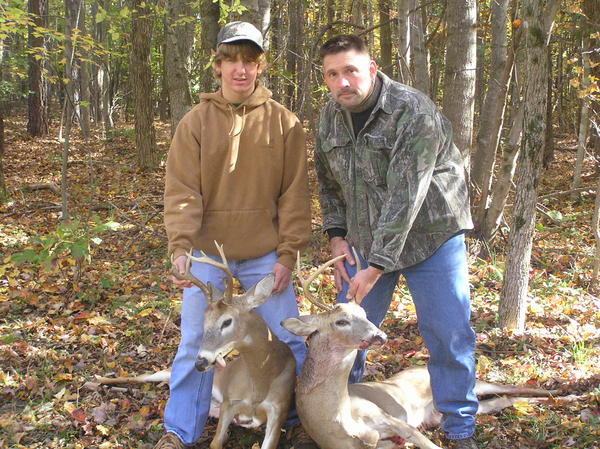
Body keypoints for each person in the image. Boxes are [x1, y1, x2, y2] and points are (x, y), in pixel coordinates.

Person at [314, 34, 480, 449]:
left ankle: (460, 426)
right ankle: (337, 417)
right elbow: (328, 183)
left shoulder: (412, 110)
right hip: (367, 238)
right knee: (343, 332)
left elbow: (408, 196)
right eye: (332, 75)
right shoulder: (329, 118)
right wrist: (337, 236)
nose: (343, 83)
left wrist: (375, 266)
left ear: (371, 69)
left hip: (431, 237)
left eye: (351, 70)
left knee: (448, 332)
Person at [159, 21, 316, 449]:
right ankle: (179, 432)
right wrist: (181, 249)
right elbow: (182, 193)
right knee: (197, 341)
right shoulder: (195, 122)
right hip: (208, 256)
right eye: (232, 60)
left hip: (265, 254)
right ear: (218, 66)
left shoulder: (284, 123)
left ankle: (301, 422)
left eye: (249, 60)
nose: (240, 70)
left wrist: (288, 256)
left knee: (288, 336)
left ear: (259, 66)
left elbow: (294, 196)